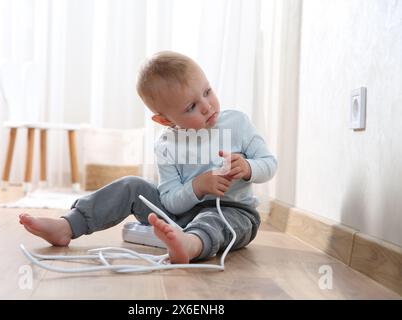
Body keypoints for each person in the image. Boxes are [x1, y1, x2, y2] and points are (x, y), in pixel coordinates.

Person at [19, 51, 277, 264]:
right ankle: (68, 226)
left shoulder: (238, 123)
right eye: (191, 107)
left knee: (211, 218)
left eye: (207, 92)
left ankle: (191, 245)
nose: (207, 105)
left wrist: (248, 167)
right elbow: (170, 202)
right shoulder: (166, 145)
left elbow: (269, 164)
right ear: (165, 120)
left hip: (235, 214)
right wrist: (198, 187)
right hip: (180, 215)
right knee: (132, 185)